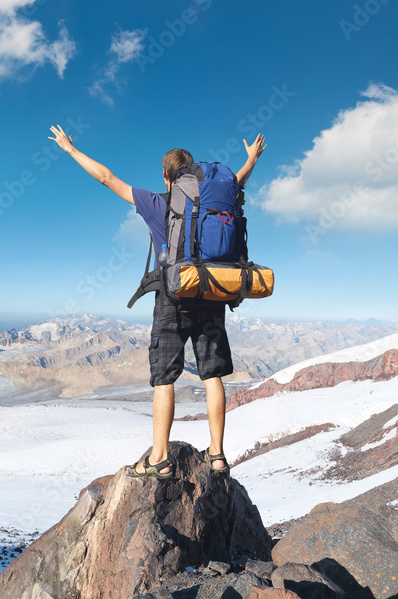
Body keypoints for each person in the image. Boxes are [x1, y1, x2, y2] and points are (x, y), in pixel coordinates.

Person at [48, 125, 266, 479]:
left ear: (166, 175)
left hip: (173, 297)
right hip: (210, 291)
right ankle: (218, 455)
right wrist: (251, 159)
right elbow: (237, 181)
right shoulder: (216, 197)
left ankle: (160, 458)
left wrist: (71, 151)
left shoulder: (156, 202)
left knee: (164, 379)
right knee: (212, 377)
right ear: (193, 174)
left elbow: (107, 178)